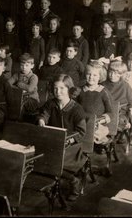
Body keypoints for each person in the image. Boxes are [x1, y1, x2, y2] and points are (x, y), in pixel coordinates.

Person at [37, 74, 86, 202]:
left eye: (62, 88)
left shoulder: (77, 109)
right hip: (53, 141)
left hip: (72, 145)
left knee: (54, 159)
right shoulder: (51, 104)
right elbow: (44, 114)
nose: (58, 92)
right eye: (55, 88)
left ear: (69, 89)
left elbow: (81, 133)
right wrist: (42, 120)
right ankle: (51, 181)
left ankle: (74, 181)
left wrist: (68, 140)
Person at [77, 62, 113, 148]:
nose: (91, 77)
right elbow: (75, 107)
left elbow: (110, 112)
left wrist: (100, 121)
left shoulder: (103, 92)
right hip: (82, 121)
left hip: (97, 123)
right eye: (88, 74)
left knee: (95, 132)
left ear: (100, 77)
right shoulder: (80, 90)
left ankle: (96, 145)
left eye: (95, 75)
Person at [103, 60, 132, 133]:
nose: (112, 75)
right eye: (110, 72)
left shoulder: (125, 86)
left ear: (121, 74)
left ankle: (118, 136)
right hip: (105, 110)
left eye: (115, 73)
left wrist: (130, 109)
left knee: (120, 121)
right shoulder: (103, 84)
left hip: (120, 112)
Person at [8, 53, 40, 117]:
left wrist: (19, 84)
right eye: (22, 65)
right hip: (19, 98)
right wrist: (17, 89)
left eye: (27, 65)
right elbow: (7, 84)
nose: (24, 68)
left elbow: (29, 89)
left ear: (32, 66)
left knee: (20, 104)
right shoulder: (17, 75)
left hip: (32, 100)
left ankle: (19, 123)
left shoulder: (33, 77)